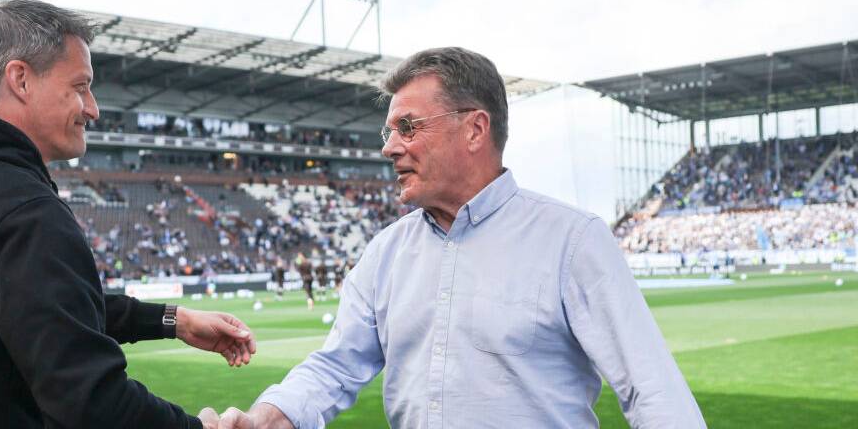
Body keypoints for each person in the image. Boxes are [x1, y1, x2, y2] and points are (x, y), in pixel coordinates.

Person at [206, 47, 704, 428]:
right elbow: (334, 369)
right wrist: (267, 417)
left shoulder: (572, 242)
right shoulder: (385, 253)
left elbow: (654, 392)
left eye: (408, 126)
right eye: (388, 131)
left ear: (474, 129)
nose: (389, 147)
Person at [0, 0, 256, 428]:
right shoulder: (23, 211)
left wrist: (171, 320)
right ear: (21, 79)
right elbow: (91, 403)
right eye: (80, 86)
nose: (93, 108)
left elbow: (43, 309)